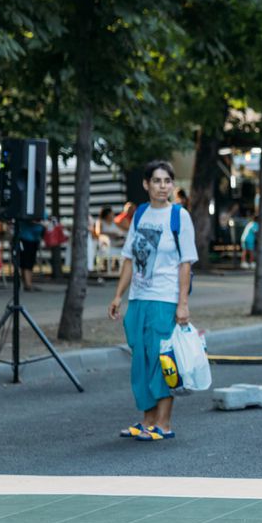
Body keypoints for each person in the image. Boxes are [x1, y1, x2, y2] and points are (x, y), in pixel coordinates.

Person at [108, 160, 198, 442]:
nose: (163, 186)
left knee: (163, 360)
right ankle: (146, 421)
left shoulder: (179, 216)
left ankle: (164, 424)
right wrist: (118, 295)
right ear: (146, 184)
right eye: (157, 181)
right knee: (141, 360)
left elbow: (186, 263)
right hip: (139, 298)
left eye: (167, 181)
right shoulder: (140, 214)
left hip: (165, 298)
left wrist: (182, 303)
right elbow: (129, 259)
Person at [15, 214, 46, 292]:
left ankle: (28, 283)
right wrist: (41, 223)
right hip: (26, 238)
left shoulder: (39, 207)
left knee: (30, 262)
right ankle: (28, 284)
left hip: (34, 239)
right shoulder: (28, 207)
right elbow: (29, 220)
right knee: (27, 262)